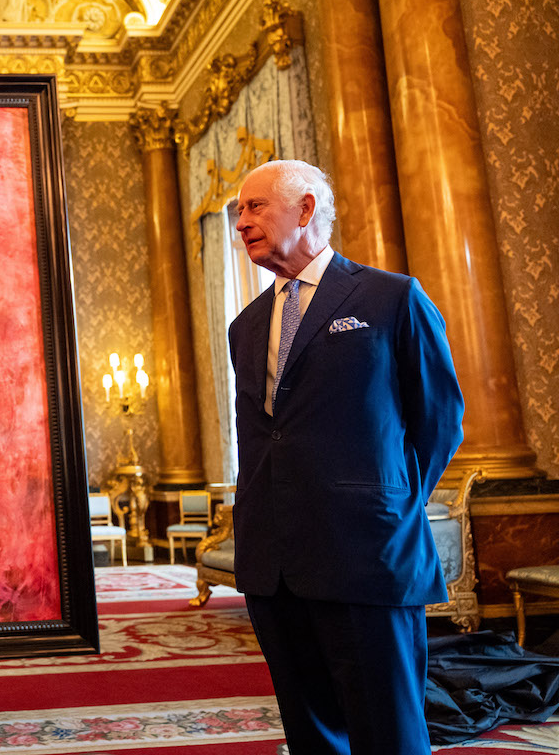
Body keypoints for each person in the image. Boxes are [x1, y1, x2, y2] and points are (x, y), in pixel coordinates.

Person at [229, 159, 463, 754]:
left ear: (306, 209)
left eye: (255, 206)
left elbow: (438, 420)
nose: (241, 220)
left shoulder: (391, 298)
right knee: (312, 734)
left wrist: (388, 501)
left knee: (388, 732)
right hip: (273, 562)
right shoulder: (246, 325)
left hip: (368, 554)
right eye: (239, 210)